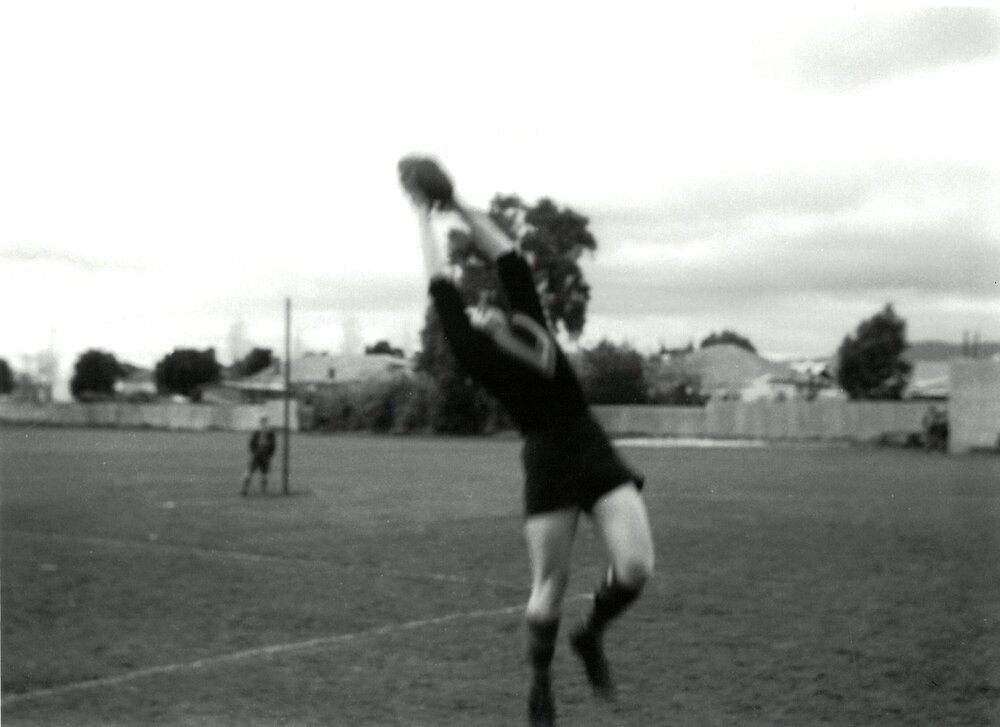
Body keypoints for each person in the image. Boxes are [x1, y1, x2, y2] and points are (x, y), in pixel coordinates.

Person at [399, 157, 655, 727]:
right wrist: (423, 220)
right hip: (546, 457)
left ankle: (590, 637)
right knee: (546, 595)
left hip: (589, 442)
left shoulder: (530, 322)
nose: (489, 306)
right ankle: (540, 683)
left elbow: (507, 256)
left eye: (493, 304)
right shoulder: (471, 349)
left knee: (636, 567)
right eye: (481, 308)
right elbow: (440, 285)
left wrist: (457, 203)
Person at [242, 415, 276, 495]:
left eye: (265, 422)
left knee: (264, 473)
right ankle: (245, 489)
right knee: (249, 471)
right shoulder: (257, 433)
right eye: (262, 422)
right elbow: (251, 443)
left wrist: (270, 455)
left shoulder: (270, 434)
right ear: (260, 423)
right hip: (257, 453)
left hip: (265, 454)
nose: (264, 424)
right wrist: (253, 452)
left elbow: (273, 445)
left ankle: (263, 490)